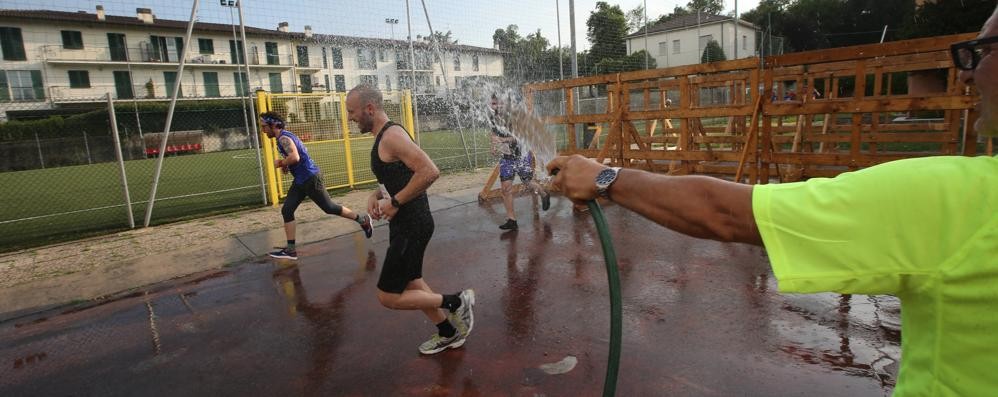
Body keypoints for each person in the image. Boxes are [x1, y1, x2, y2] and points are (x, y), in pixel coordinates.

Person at [547, 8, 998, 395]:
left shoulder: (960, 200)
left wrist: (605, 177)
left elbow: (722, 212)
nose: (965, 71)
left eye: (984, 51)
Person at [346, 84, 476, 355]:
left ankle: (457, 302)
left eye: (352, 111)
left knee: (388, 296)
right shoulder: (385, 135)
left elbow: (429, 171)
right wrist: (377, 194)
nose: (350, 117)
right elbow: (400, 175)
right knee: (413, 283)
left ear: (369, 108)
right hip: (407, 222)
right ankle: (448, 332)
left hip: (411, 224)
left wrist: (394, 202)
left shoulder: (391, 135)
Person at [260, 111, 374, 260]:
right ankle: (291, 250)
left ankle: (363, 220)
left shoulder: (284, 138)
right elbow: (294, 158)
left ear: (273, 124)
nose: (262, 130)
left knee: (329, 207)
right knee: (287, 210)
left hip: (310, 178)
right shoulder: (283, 137)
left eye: (264, 126)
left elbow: (295, 157)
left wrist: (281, 163)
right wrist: (286, 166)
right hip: (300, 180)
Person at [489, 93, 551, 231]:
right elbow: (493, 133)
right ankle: (512, 220)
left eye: (497, 103)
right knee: (505, 188)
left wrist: (503, 140)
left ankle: (543, 193)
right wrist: (493, 146)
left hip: (521, 155)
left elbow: (521, 138)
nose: (495, 106)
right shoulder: (493, 118)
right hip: (506, 157)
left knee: (528, 183)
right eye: (493, 103)